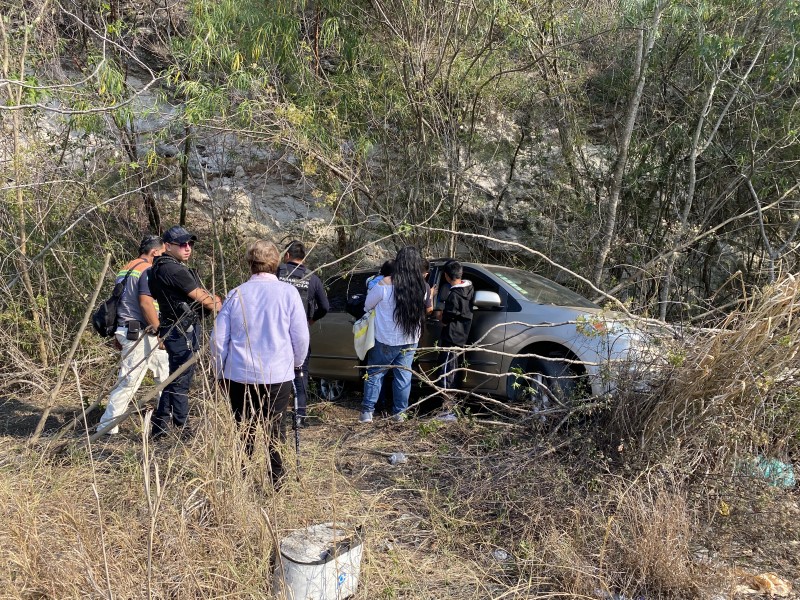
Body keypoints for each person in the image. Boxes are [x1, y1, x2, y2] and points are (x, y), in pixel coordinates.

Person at [211, 240, 310, 485]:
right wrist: (297, 364)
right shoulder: (289, 293)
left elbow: (218, 340)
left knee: (243, 428)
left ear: (250, 264)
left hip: (239, 374)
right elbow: (300, 336)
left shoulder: (236, 294)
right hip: (278, 374)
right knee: (275, 430)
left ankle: (240, 480)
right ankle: (276, 480)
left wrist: (218, 372)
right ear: (276, 263)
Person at [148, 225, 222, 440]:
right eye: (182, 244)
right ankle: (182, 430)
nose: (187, 248)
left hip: (175, 329)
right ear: (168, 246)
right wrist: (221, 303)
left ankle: (160, 428)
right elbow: (206, 301)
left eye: (190, 244)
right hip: (182, 331)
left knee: (175, 377)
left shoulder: (159, 267)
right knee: (181, 380)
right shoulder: (174, 269)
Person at [97, 235, 169, 435]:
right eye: (162, 254)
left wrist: (118, 332)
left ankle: (166, 421)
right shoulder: (147, 269)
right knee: (128, 383)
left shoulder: (127, 268)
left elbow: (120, 302)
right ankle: (106, 429)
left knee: (165, 375)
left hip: (133, 331)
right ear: (154, 252)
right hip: (142, 334)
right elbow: (146, 303)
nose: (163, 258)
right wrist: (160, 331)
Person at [359, 246, 428, 423]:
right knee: (403, 376)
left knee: (375, 373)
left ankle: (367, 413)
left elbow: (367, 306)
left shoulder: (384, 284)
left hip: (386, 338)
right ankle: (400, 414)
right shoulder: (422, 287)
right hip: (410, 339)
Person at [276, 241, 329, 426]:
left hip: (277, 334)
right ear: (304, 259)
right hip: (300, 334)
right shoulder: (312, 278)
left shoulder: (277, 273)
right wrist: (311, 320)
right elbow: (325, 307)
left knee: (277, 375)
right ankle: (300, 417)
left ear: (287, 256)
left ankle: (277, 416)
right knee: (301, 374)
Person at [437, 260, 474, 418]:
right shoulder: (470, 289)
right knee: (455, 372)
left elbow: (445, 318)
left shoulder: (453, 295)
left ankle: (448, 411)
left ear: (446, 276)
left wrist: (439, 315)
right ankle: (454, 409)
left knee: (446, 374)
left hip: (451, 337)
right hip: (462, 336)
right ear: (461, 274)